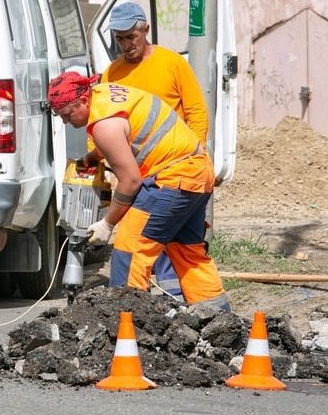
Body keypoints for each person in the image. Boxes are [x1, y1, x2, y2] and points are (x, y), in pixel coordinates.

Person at [47, 72, 230, 312]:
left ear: (82, 101)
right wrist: (94, 156)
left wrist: (107, 224)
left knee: (130, 247)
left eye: (67, 114)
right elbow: (128, 131)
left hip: (172, 178)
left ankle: (126, 326)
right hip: (197, 172)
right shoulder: (104, 95)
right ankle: (218, 319)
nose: (65, 122)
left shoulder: (103, 125)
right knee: (187, 251)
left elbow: (130, 182)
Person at [85, 2, 211, 302]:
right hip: (136, 172)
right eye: (120, 39)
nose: (127, 45)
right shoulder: (112, 72)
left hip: (173, 169)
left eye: (132, 37)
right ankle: (193, 307)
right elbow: (103, 117)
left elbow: (196, 111)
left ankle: (150, 308)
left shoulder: (172, 63)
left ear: (146, 30)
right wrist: (96, 158)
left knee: (140, 241)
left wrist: (195, 156)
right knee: (176, 244)